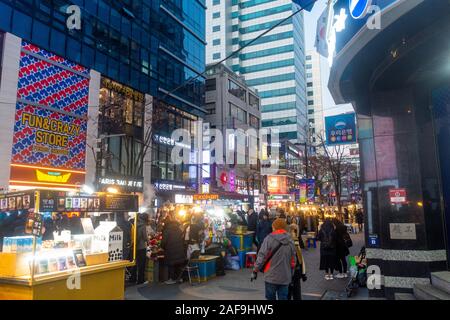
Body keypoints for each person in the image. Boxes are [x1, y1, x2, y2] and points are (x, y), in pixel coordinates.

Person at [252, 218, 297, 300]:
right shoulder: (290, 240)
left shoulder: (268, 239)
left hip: (271, 276)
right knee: (283, 298)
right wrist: (291, 273)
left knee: (270, 298)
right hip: (285, 277)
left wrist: (255, 270)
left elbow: (261, 257)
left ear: (274, 227)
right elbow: (293, 261)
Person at [161, 214, 186, 285]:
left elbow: (163, 242)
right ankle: (179, 278)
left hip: (170, 250)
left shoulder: (167, 230)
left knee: (171, 265)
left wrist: (162, 247)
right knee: (178, 265)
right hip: (180, 250)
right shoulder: (179, 230)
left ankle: (171, 279)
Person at [288, 224, 307, 300]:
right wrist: (303, 273)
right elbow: (300, 258)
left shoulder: (286, 239)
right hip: (295, 270)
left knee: (288, 293)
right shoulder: (295, 240)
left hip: (288, 270)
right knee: (296, 293)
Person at [131, 213, 149, 285]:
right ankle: (140, 280)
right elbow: (144, 237)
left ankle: (133, 278)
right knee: (141, 264)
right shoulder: (143, 226)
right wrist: (148, 240)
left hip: (135, 246)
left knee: (134, 263)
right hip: (141, 247)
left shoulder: (135, 224)